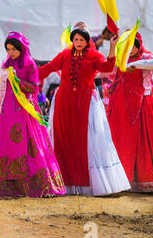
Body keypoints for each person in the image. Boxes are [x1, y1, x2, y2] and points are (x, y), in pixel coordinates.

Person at [39, 21, 130, 196]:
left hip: (84, 103)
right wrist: (28, 76)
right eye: (75, 39)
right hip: (64, 101)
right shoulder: (65, 54)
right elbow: (48, 68)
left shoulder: (94, 56)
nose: (78, 42)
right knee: (62, 138)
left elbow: (108, 68)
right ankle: (62, 183)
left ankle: (84, 184)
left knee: (85, 140)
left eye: (81, 39)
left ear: (87, 40)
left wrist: (112, 48)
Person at [0, 31, 65, 197]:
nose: (11, 52)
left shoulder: (29, 64)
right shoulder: (6, 62)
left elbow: (34, 88)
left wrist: (18, 80)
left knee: (27, 144)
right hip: (7, 109)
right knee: (8, 143)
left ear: (21, 48)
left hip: (25, 110)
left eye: (14, 49)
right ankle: (11, 186)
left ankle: (34, 185)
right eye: (8, 49)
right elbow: (1, 85)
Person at [107, 32, 153, 192]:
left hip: (141, 107)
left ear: (138, 45)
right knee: (121, 141)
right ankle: (121, 180)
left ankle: (144, 181)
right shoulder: (121, 58)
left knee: (143, 141)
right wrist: (113, 47)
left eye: (133, 45)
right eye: (127, 45)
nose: (131, 49)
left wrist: (135, 65)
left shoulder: (145, 57)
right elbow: (108, 69)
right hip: (121, 108)